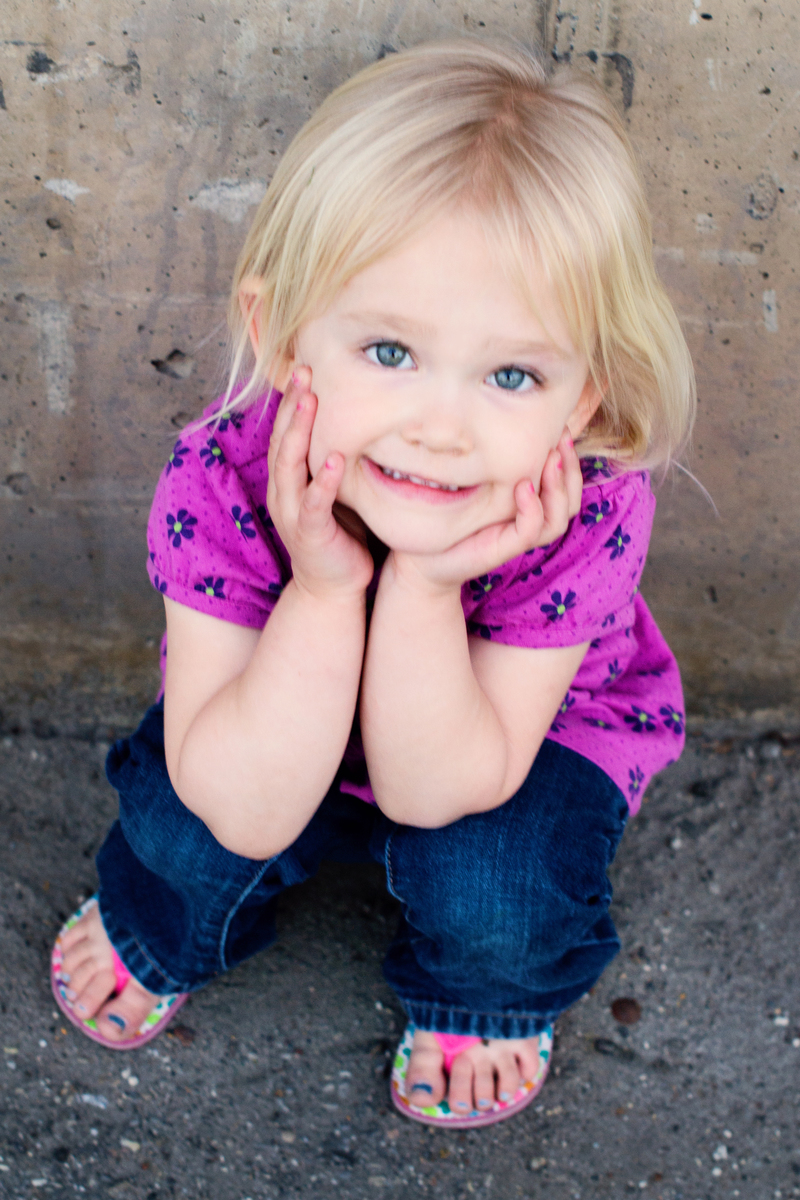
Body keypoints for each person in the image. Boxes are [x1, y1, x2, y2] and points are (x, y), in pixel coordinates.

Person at [52, 38, 695, 1128]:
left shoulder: (585, 504)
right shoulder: (221, 475)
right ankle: (160, 924)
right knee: (183, 835)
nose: (440, 427)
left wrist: (428, 584)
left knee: (497, 890)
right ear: (279, 335)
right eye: (389, 352)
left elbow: (435, 789)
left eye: (511, 374)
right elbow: (239, 801)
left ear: (583, 398)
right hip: (262, 717)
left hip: (502, 741)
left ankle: (483, 993)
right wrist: (321, 587)